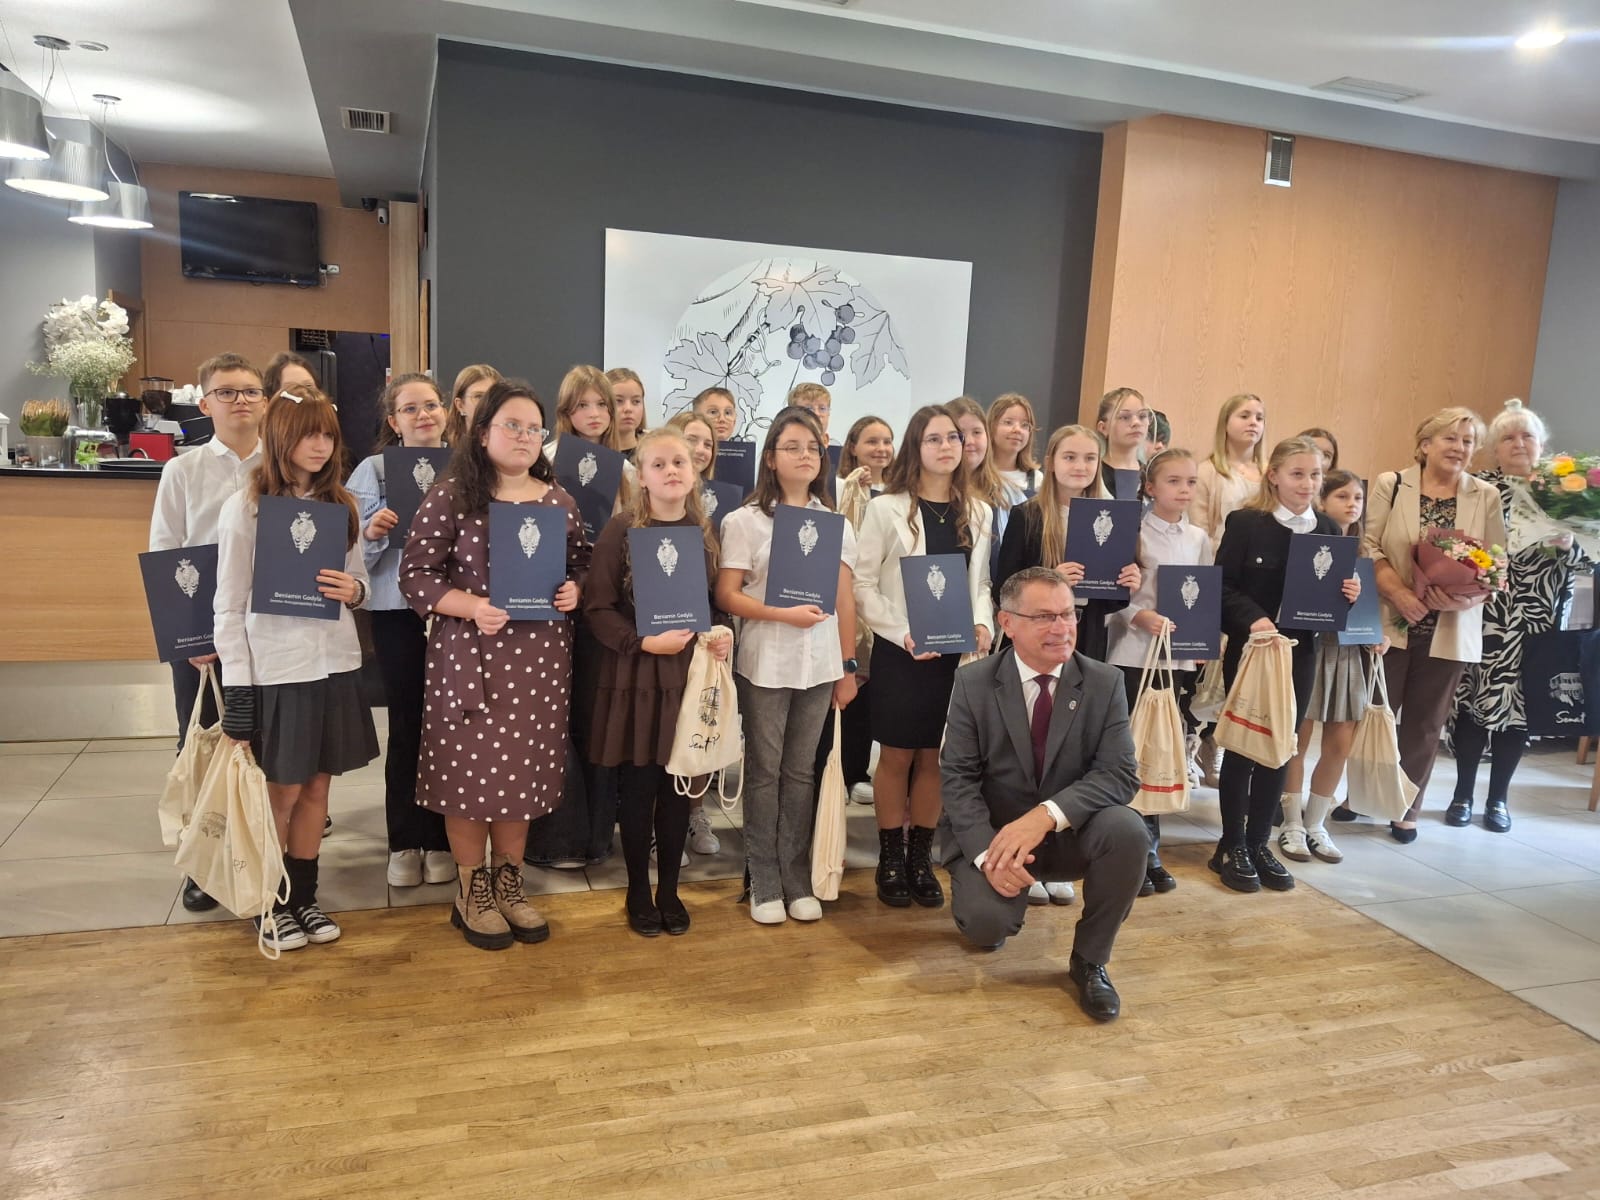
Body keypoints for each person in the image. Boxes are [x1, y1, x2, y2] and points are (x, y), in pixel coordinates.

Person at [401, 380, 589, 949]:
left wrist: (574, 590)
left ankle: (509, 884)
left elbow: (580, 563)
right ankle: (471, 890)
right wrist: (472, 606)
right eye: (513, 425)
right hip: (471, 657)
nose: (525, 437)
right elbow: (416, 576)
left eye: (534, 428)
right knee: (468, 777)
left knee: (522, 775)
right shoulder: (452, 495)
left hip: (540, 664)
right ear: (483, 433)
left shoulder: (558, 501)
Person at [939, 566, 1146, 1022]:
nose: (1061, 628)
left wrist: (1046, 815)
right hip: (998, 837)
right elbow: (957, 779)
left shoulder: (1105, 681)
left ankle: (1090, 960)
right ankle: (995, 901)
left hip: (1071, 833)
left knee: (1128, 830)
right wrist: (988, 856)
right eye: (1044, 617)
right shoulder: (973, 684)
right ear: (1007, 623)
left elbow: (1119, 774)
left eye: (1067, 614)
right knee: (986, 926)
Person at [214, 387, 379, 952]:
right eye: (309, 433)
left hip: (333, 663)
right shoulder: (247, 508)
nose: (320, 444)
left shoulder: (342, 506)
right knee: (280, 791)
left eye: (328, 434)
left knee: (317, 787)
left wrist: (354, 590)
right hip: (276, 669)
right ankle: (270, 899)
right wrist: (239, 687)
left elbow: (362, 583)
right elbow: (228, 604)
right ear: (281, 436)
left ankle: (304, 896)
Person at [583, 426, 731, 937]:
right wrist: (642, 643)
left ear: (694, 473)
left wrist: (720, 634)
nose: (671, 471)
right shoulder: (620, 531)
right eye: (659, 464)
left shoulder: (704, 531)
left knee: (678, 790)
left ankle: (669, 890)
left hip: (688, 677)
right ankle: (637, 891)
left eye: (680, 463)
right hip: (638, 675)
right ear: (641, 476)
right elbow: (597, 608)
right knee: (640, 788)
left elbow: (712, 605)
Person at [1335, 408, 1506, 842]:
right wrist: (1400, 594)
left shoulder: (1485, 495)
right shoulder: (1392, 484)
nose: (1459, 448)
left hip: (1450, 626)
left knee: (1426, 724)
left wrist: (1464, 596)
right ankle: (1361, 795)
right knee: (1374, 714)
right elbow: (1369, 546)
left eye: (1468, 441)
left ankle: (1406, 807)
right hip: (1390, 621)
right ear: (1425, 444)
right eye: (1450, 438)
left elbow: (1496, 564)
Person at [716, 407, 859, 924]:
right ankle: (763, 880)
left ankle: (797, 877)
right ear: (771, 458)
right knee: (764, 772)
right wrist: (781, 614)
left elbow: (845, 598)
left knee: (801, 773)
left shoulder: (834, 524)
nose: (804, 455)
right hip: (766, 661)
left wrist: (848, 665)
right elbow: (727, 595)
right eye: (792, 446)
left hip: (820, 664)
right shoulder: (744, 521)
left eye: (812, 448)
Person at [854, 405, 994, 910]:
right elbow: (862, 584)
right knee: (897, 755)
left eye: (953, 437)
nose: (946, 447)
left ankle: (920, 857)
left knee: (937, 755)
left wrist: (984, 622)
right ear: (916, 446)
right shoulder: (885, 508)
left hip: (955, 654)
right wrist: (902, 632)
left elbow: (981, 582)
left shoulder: (979, 511)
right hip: (902, 651)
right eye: (934, 439)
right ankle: (890, 857)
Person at [1210, 436, 1359, 893]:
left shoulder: (1329, 529)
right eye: (1297, 474)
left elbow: (1328, 601)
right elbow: (1222, 588)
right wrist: (1254, 619)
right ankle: (1231, 844)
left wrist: (1348, 595)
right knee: (1244, 746)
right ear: (1273, 475)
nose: (1307, 483)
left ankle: (1259, 842)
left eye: (1315, 475)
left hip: (1301, 653)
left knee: (1283, 747)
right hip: (1254, 653)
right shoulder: (1246, 523)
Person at [150, 352, 266, 914]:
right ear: (204, 403)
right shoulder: (183, 470)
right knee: (202, 740)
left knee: (261, 742)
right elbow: (165, 552)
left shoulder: (283, 465)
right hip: (203, 634)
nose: (241, 400)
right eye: (227, 391)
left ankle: (257, 851)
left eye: (250, 390)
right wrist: (191, 637)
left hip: (267, 629)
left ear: (265, 400)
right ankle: (204, 862)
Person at [1449, 400, 1585, 833]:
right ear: (1493, 449)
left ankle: (1498, 800)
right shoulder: (1479, 488)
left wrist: (1570, 546)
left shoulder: (1566, 491)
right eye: (1507, 437)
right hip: (1484, 615)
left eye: (1527, 435)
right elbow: (1454, 545)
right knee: (1473, 704)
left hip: (1539, 621)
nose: (1519, 443)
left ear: (1542, 444)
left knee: (1520, 711)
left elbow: (1591, 559)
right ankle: (1462, 794)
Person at [346, 372, 454, 890]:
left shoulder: (467, 467)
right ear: (393, 421)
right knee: (408, 723)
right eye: (410, 409)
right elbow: (349, 553)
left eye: (430, 405)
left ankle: (442, 839)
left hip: (454, 614)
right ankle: (404, 840)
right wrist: (371, 532)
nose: (423, 415)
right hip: (397, 611)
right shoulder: (372, 471)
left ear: (446, 411)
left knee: (451, 726)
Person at [1106, 447, 1213, 897]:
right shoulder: (1132, 531)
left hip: (1175, 659)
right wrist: (1138, 616)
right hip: (1132, 653)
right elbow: (1111, 591)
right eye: (1173, 481)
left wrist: (1203, 638)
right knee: (1129, 749)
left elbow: (1202, 593)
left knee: (1159, 748)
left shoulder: (1199, 538)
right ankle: (1129, 847)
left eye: (1191, 482)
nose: (1184, 490)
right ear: (1150, 487)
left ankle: (1150, 848)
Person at [1278, 470, 1377, 864]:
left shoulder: (1364, 553)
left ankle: (1317, 823)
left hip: (1347, 652)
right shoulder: (1304, 545)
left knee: (1340, 742)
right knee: (1298, 740)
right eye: (1342, 496)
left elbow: (1369, 612)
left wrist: (1377, 632)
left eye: (1358, 497)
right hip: (1311, 648)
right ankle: (1291, 823)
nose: (1352, 504)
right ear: (1321, 501)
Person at [994, 424, 1141, 664]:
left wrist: (1126, 584)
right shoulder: (1027, 515)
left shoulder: (1112, 517)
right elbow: (1003, 588)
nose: (1080, 466)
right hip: (1036, 635)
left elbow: (1107, 602)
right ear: (1051, 462)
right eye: (1070, 457)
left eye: (1090, 458)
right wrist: (1050, 581)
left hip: (1087, 635)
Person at [1191, 392, 1267, 785]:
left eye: (1259, 417)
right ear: (1226, 422)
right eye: (1244, 415)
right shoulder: (1209, 472)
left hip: (1259, 586)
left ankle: (1229, 743)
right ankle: (1203, 743)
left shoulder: (1269, 473)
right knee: (1211, 672)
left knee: (1243, 676)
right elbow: (1200, 530)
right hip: (1219, 576)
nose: (1253, 423)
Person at [820, 415, 894, 806]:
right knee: (846, 685)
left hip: (883, 603)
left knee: (870, 691)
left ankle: (858, 771)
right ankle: (836, 770)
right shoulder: (838, 488)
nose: (881, 449)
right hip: (848, 599)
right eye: (871, 441)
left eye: (887, 441)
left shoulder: (899, 493)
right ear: (852, 446)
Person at [947, 395, 1008, 582]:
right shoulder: (933, 496)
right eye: (959, 434)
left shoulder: (1000, 493)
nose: (970, 441)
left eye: (977, 432)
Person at [987, 392, 1042, 506]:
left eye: (1024, 425)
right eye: (1008, 422)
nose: (1017, 429)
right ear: (991, 426)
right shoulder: (975, 475)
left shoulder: (1037, 480)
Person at [1095, 387, 1150, 500]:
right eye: (1125, 417)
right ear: (1103, 428)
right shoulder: (1093, 474)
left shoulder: (1153, 474)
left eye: (1142, 416)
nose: (1136, 423)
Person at [446, 364, 501, 445]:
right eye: (478, 396)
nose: (487, 402)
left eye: (492, 395)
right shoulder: (445, 450)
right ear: (460, 405)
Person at [606, 366, 648, 461]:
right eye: (618, 401)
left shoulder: (654, 451)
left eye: (636, 401)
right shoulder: (591, 454)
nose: (628, 409)